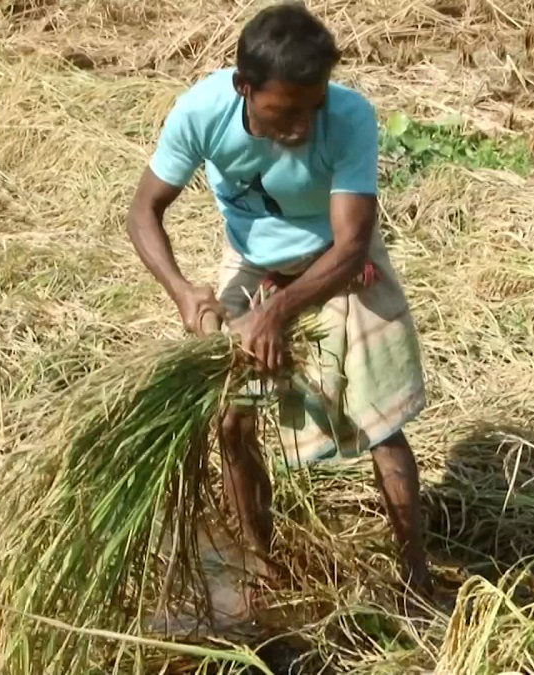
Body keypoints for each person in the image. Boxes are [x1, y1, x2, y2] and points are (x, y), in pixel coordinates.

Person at [125, 2, 433, 605]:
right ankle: (262, 568)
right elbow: (142, 214)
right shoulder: (201, 112)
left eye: (310, 107)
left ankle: (416, 576)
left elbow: (349, 246)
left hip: (337, 263)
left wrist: (276, 312)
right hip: (252, 263)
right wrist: (185, 291)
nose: (300, 127)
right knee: (231, 419)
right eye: (283, 111)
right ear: (245, 88)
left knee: (382, 420)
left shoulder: (347, 117)